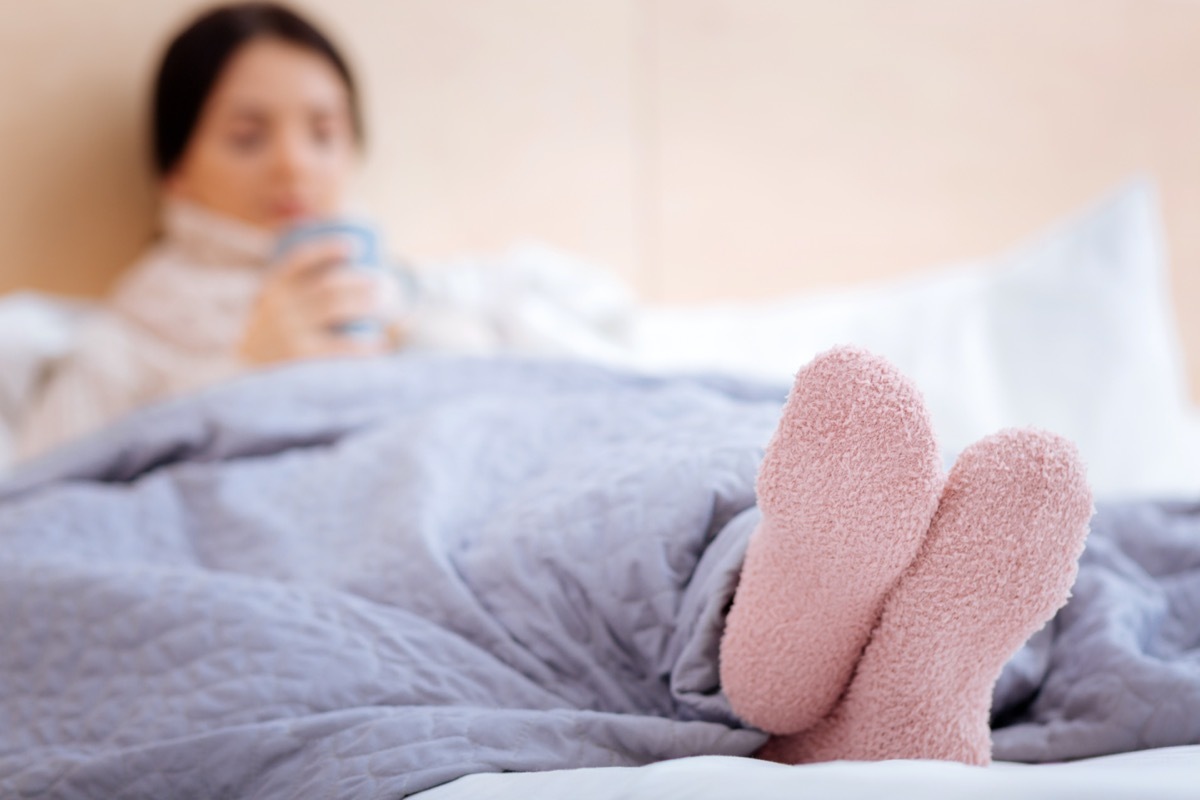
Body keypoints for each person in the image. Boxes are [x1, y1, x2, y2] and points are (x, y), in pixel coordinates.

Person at [17, 2, 403, 460]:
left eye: (323, 133)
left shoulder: (401, 294)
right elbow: (42, 505)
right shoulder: (123, 344)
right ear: (175, 168)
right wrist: (243, 376)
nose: (294, 164)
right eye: (247, 137)